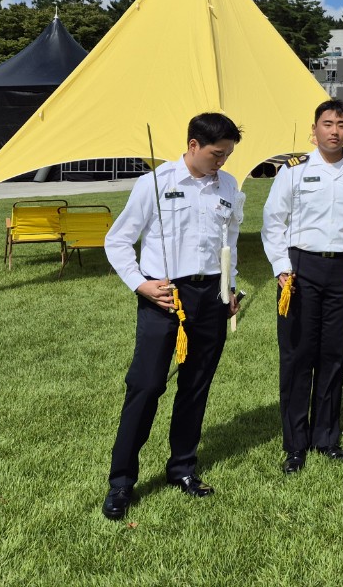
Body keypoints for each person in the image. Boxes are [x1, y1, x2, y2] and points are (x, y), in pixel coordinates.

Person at [101, 112, 244, 521]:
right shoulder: (155, 183)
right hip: (164, 296)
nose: (222, 161)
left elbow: (229, 241)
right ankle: (121, 482)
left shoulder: (228, 186)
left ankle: (182, 468)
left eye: (228, 154)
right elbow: (118, 240)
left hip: (211, 296)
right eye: (217, 153)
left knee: (195, 387)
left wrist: (229, 287)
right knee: (145, 386)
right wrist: (140, 284)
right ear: (193, 145)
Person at [262, 99, 343, 474]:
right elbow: (273, 222)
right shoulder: (294, 170)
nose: (334, 131)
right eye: (327, 124)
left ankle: (326, 437)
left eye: (341, 124)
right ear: (314, 129)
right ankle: (295, 444)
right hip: (301, 269)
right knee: (297, 357)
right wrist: (281, 267)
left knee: (333, 355)